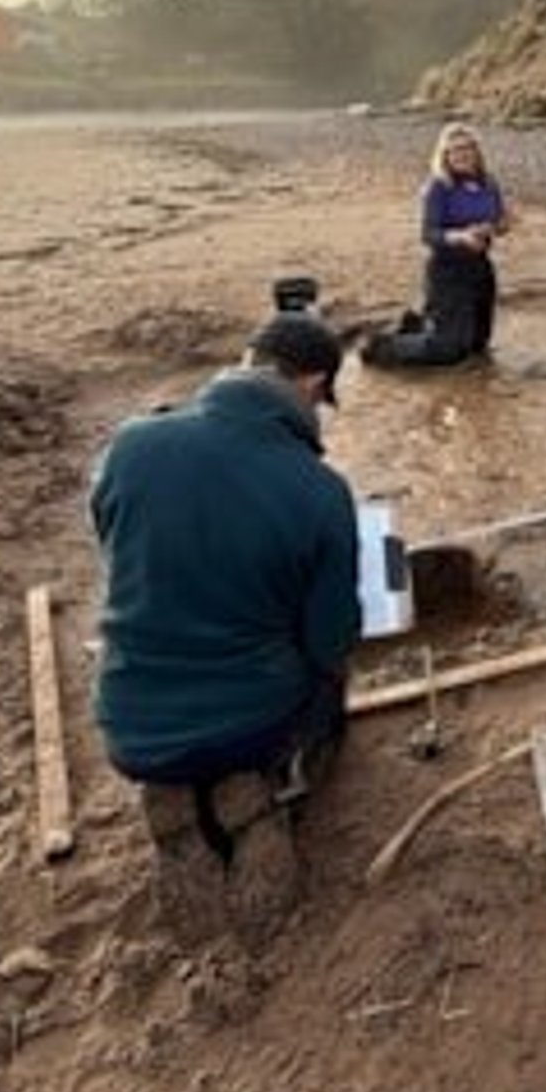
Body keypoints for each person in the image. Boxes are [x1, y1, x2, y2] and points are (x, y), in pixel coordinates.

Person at [89, 312, 361, 932]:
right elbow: (331, 640)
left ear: (245, 359)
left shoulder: (130, 445)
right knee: (327, 682)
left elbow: (114, 553)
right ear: (314, 385)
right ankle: (263, 788)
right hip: (255, 723)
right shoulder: (320, 490)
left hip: (130, 723)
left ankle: (174, 793)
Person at [361, 123, 510, 367]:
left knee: (477, 345)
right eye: (454, 150)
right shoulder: (439, 187)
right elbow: (428, 234)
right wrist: (460, 237)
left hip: (480, 268)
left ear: (477, 151)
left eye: (467, 148)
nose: (462, 154)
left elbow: (499, 220)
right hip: (447, 270)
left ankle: (417, 323)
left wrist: (500, 225)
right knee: (448, 350)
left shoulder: (488, 182)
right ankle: (380, 345)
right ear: (445, 156)